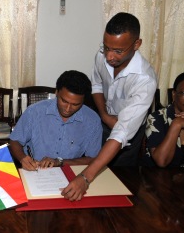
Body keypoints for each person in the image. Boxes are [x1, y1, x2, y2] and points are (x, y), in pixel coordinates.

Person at [61, 12, 157, 201]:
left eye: (118, 51)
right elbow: (96, 85)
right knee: (91, 173)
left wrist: (85, 178)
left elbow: (121, 132)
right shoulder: (101, 55)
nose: (110, 56)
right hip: (103, 119)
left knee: (119, 183)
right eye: (107, 47)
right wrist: (104, 115)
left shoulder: (145, 80)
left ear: (137, 44)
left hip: (127, 131)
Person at [9, 70, 102, 170]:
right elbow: (15, 140)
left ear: (84, 100)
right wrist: (22, 158)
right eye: (64, 101)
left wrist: (60, 162)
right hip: (35, 171)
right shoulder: (35, 111)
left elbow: (93, 158)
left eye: (75, 104)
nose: (68, 109)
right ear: (56, 92)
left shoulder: (92, 120)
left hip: (70, 171)